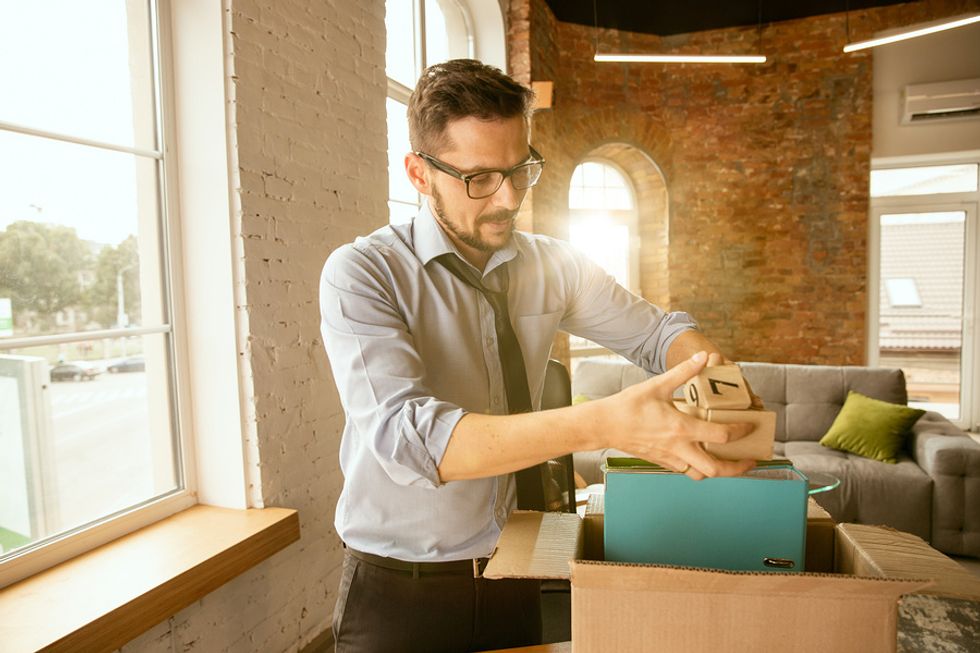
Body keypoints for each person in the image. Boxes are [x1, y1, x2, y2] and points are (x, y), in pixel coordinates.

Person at [319, 59, 755, 653]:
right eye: (479, 179)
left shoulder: (555, 264)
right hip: (401, 592)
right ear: (419, 174)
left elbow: (658, 336)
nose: (507, 199)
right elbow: (410, 439)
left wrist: (715, 380)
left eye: (520, 170)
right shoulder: (363, 273)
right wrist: (603, 422)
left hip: (516, 570)